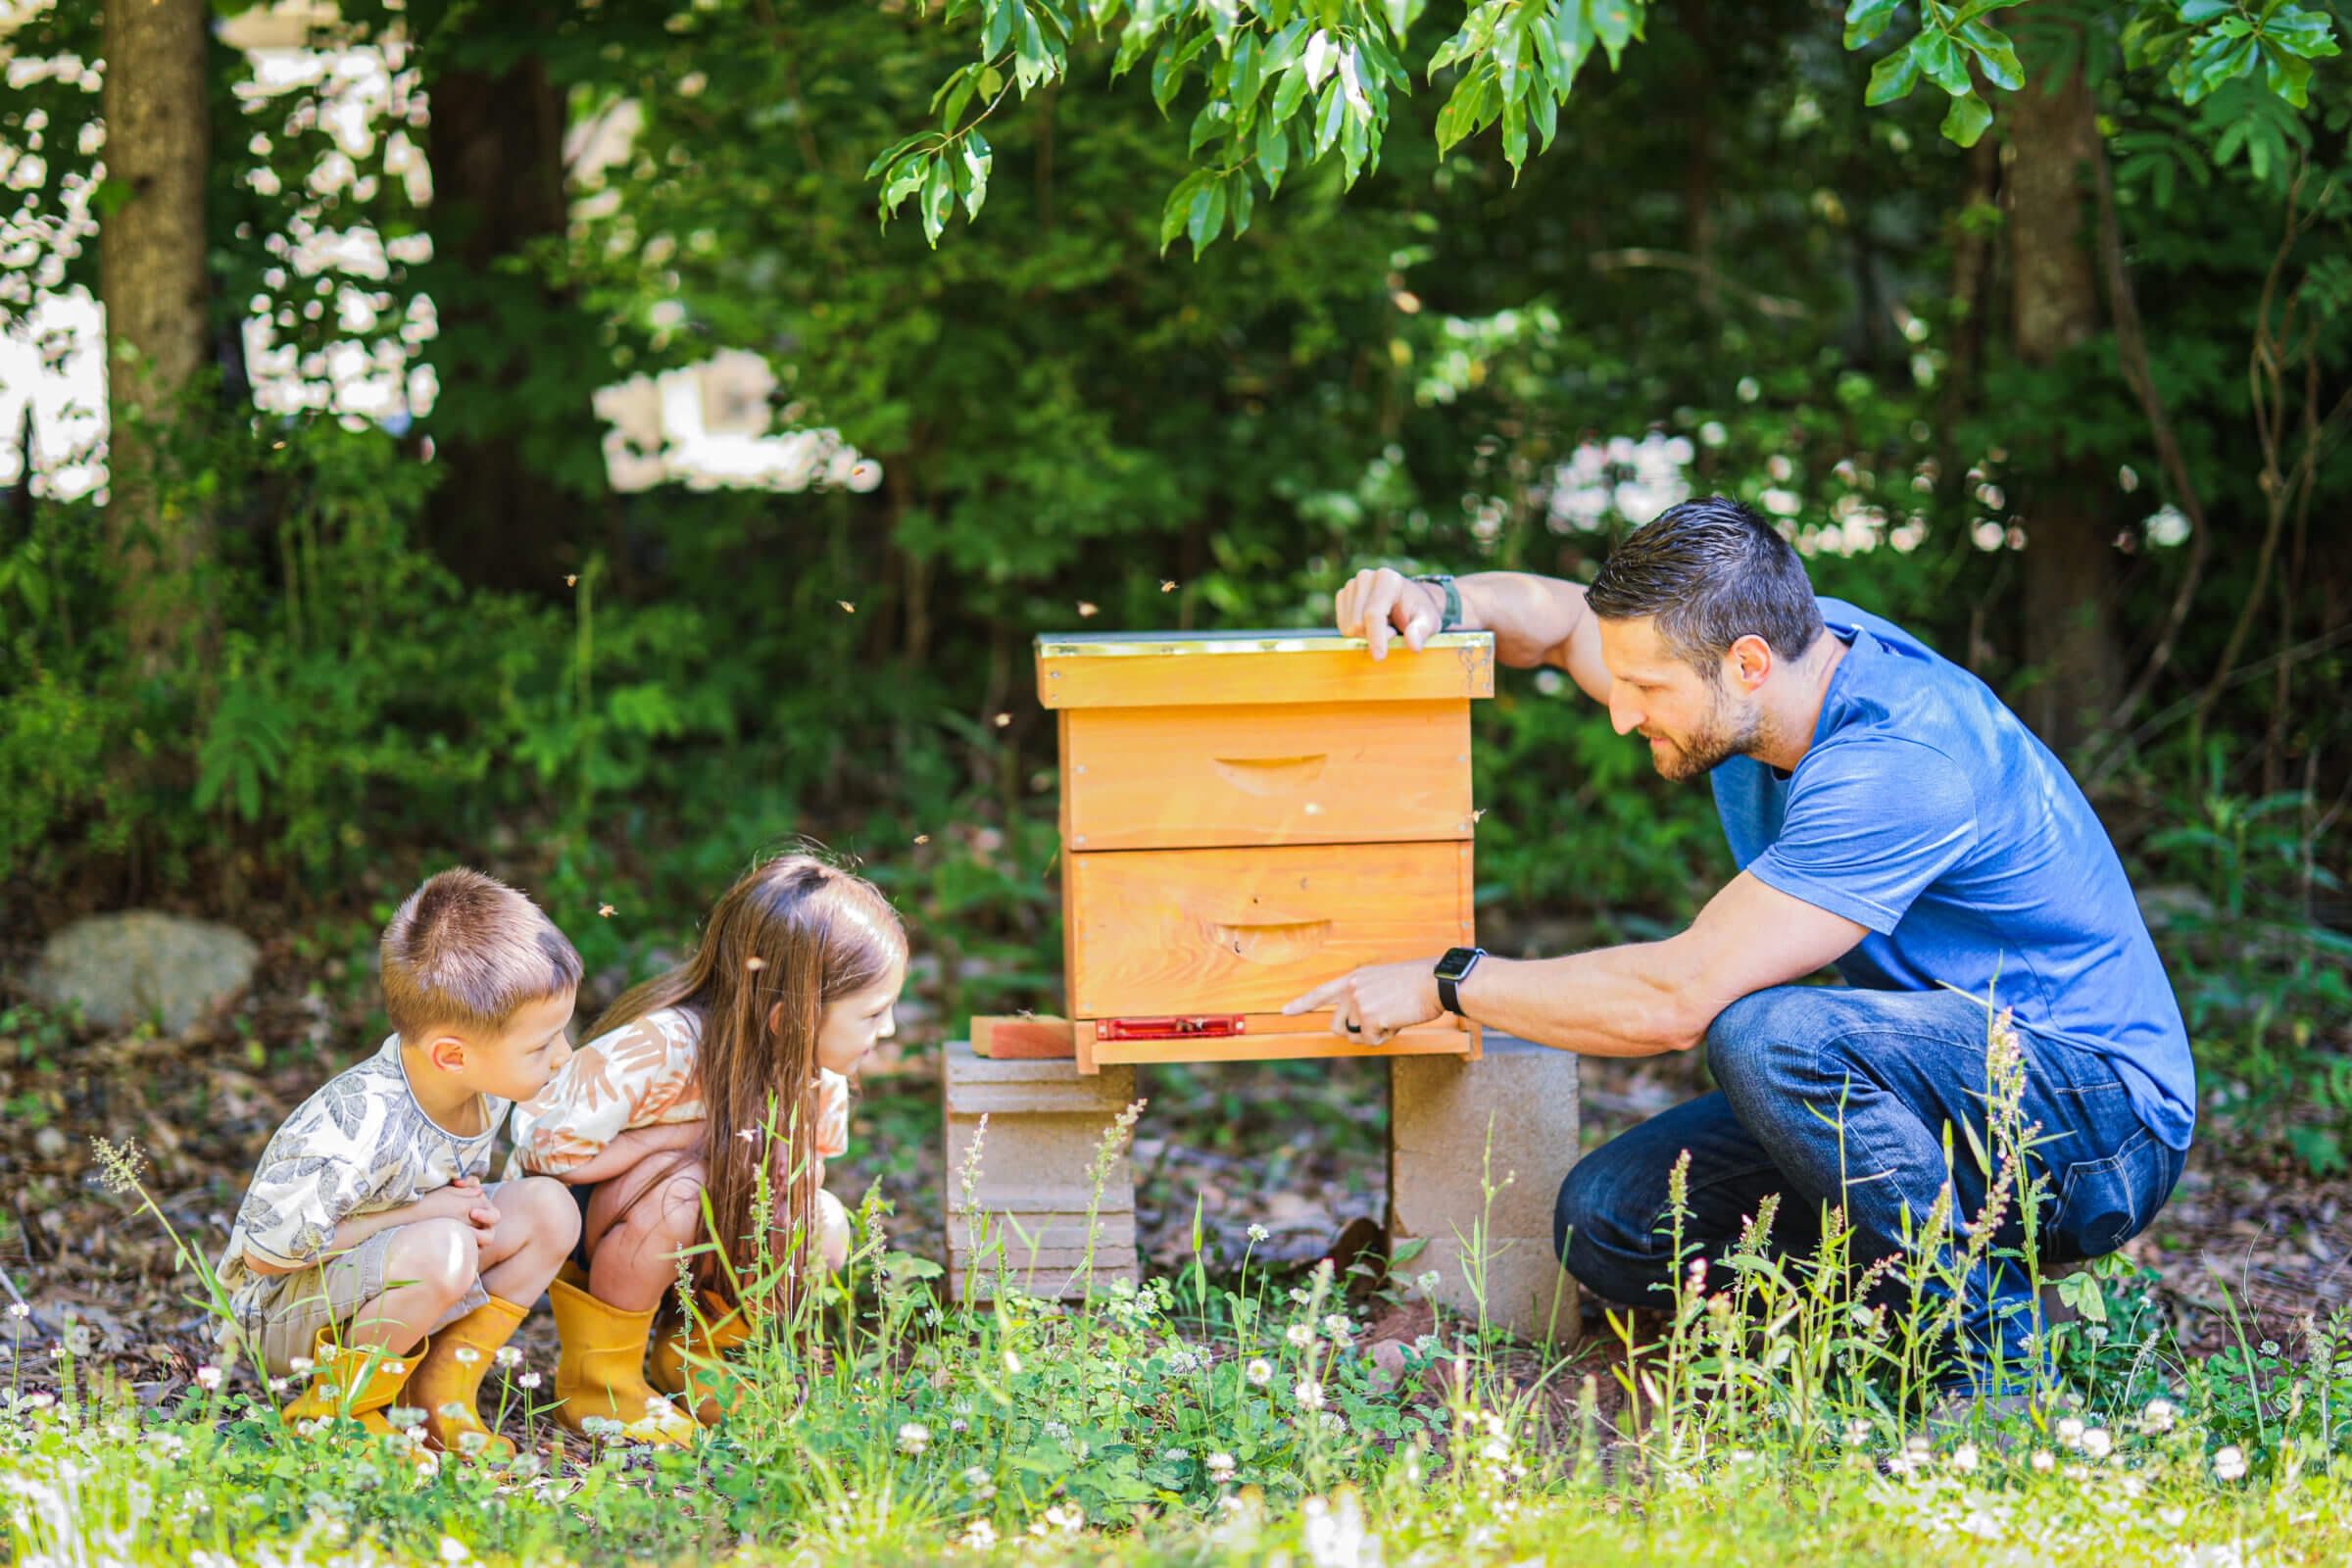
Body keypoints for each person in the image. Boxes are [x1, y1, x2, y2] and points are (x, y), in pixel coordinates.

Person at [1286, 496, 2194, 1392]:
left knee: (1771, 1038)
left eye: (1645, 691)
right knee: (1613, 1219)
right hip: (1937, 1088)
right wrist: (1443, 599)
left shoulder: (1899, 760)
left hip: (2096, 1121)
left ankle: (1994, 1366)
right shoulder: (1775, 657)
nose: (1619, 711)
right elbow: (1565, 625)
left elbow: (1674, 1000)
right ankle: (1912, 1309)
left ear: (1747, 663)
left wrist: (1449, 983)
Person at [508, 851, 906, 1438]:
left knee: (820, 1218)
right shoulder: (664, 1047)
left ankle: (702, 1358)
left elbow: (806, 1173)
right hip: (600, 1232)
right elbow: (545, 1151)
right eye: (873, 1014)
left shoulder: (819, 1070)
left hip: (709, 1247)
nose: (889, 1030)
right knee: (687, 1189)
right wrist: (684, 1138)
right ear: (787, 1018)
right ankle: (602, 1379)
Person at [219, 867, 584, 1458]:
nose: (563, 1056)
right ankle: (338, 1410)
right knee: (444, 1248)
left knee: (549, 1211)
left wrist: (459, 1209)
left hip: (390, 1272)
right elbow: (266, 1253)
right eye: (542, 1046)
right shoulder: (358, 1122)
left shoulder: (483, 1089)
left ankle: (440, 1390)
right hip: (285, 1316)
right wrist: (425, 1216)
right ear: (451, 1055)